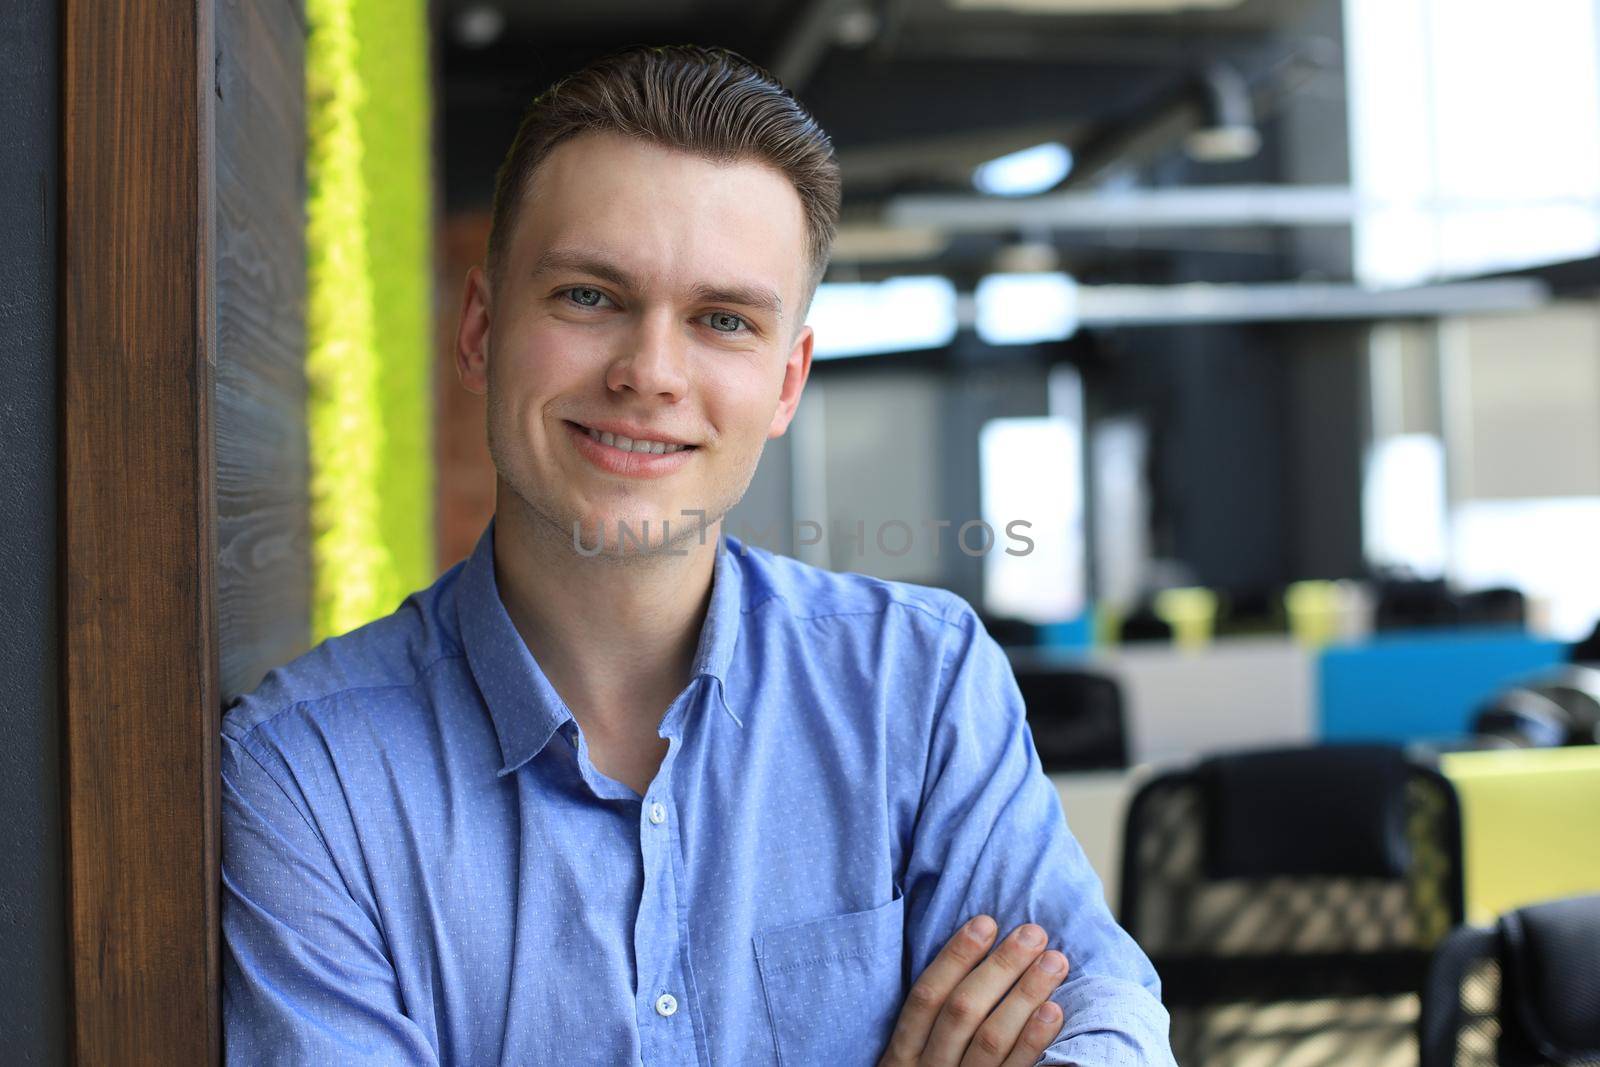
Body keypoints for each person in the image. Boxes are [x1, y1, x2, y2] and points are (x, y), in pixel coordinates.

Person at [221, 44, 1174, 1066]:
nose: (650, 372)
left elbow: (1105, 1028)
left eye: (722, 320)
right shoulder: (306, 777)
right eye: (590, 295)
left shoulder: (922, 687)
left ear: (784, 382)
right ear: (481, 328)